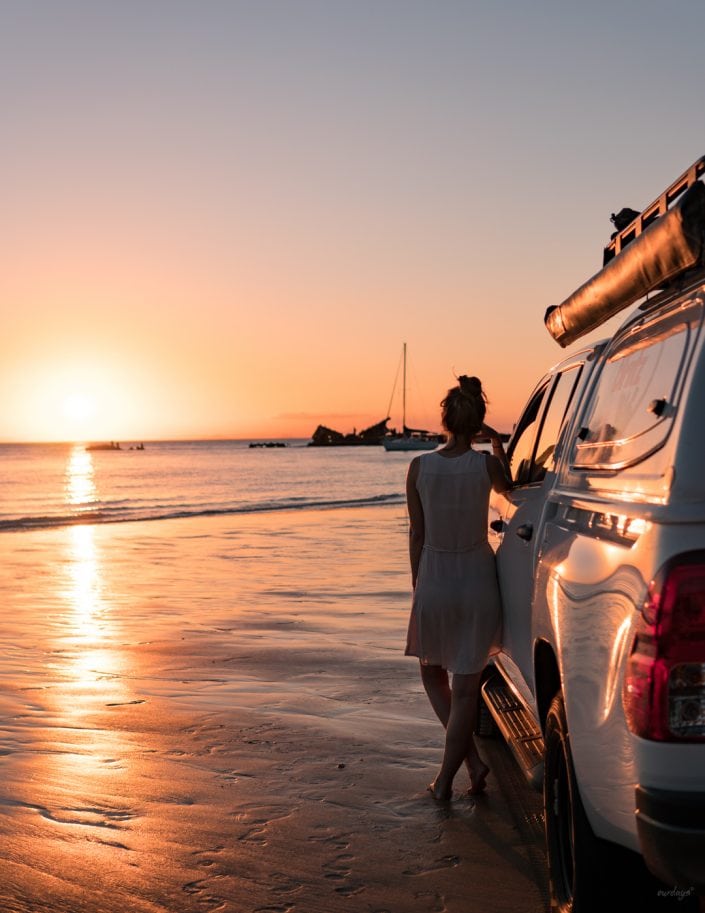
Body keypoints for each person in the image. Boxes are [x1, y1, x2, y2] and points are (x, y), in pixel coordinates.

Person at [405, 374, 511, 800]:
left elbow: (417, 533)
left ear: (444, 420)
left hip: (435, 577)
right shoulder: (485, 465)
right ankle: (465, 766)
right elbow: (509, 489)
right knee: (467, 685)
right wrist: (497, 444)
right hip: (477, 579)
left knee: (433, 673)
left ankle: (449, 777)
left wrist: (419, 585)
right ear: (478, 422)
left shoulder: (419, 467)